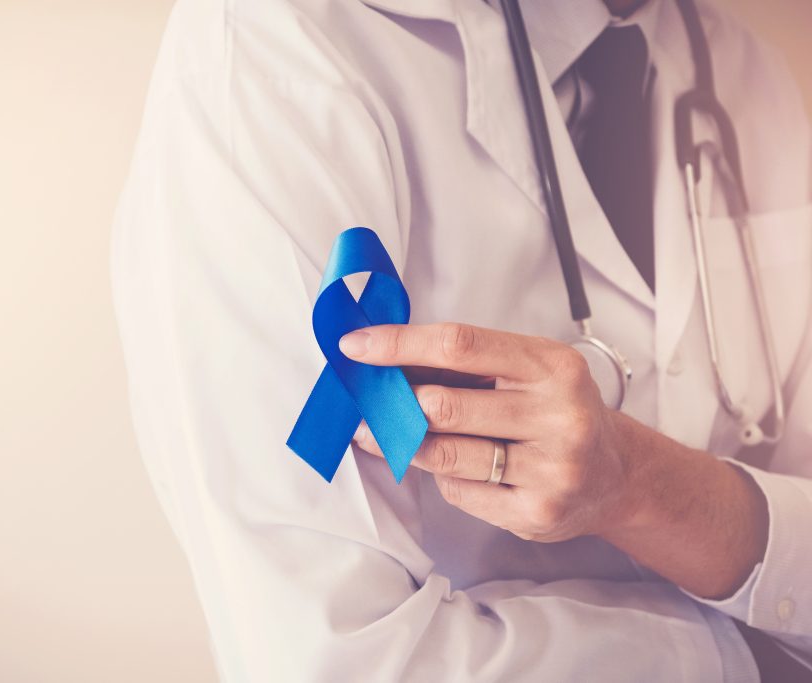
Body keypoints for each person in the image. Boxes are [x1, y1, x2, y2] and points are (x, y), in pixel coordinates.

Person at [111, 0, 812, 679]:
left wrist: (644, 482)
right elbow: (338, 659)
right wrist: (749, 654)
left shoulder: (749, 75)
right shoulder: (275, 57)